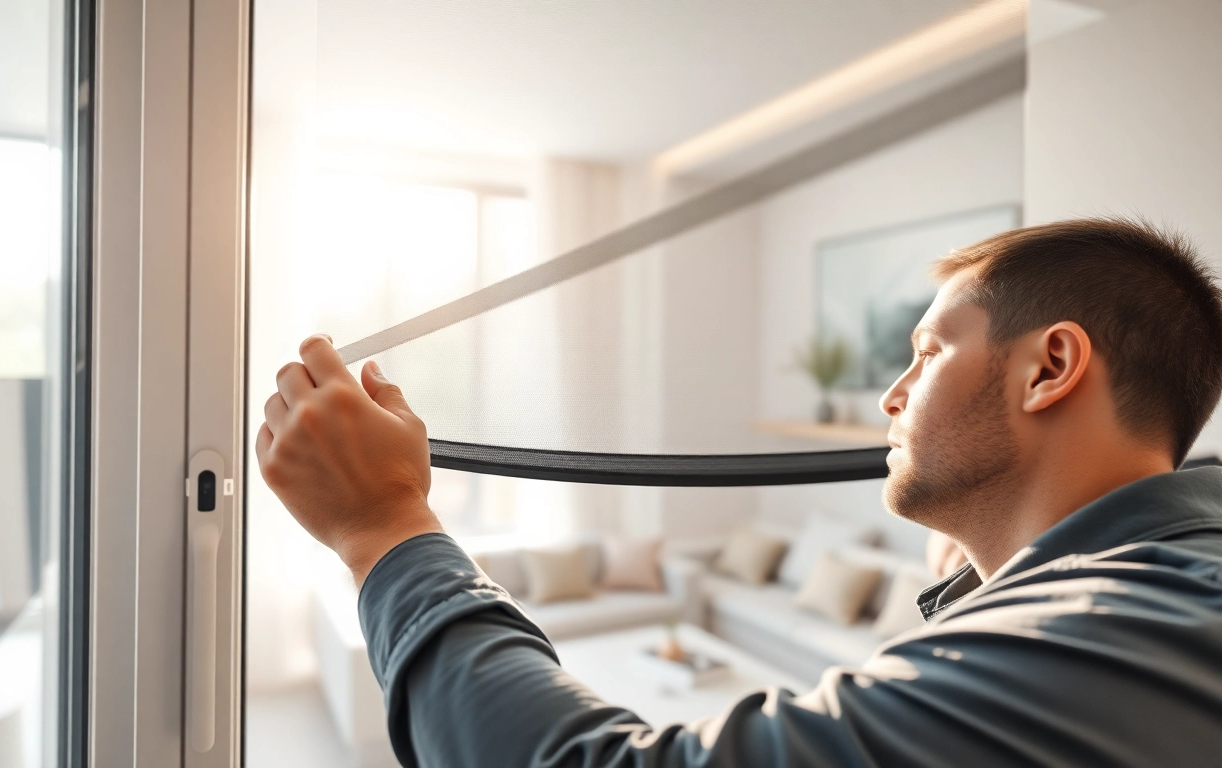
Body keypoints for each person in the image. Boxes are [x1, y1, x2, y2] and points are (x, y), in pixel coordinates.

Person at [256, 218, 1222, 767]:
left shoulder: (1097, 633)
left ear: (1050, 367)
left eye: (927, 354)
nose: (890, 396)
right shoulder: (1156, 582)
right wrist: (999, 562)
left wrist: (383, 527)